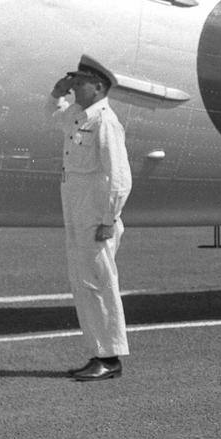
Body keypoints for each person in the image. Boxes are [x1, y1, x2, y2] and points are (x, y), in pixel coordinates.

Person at [47, 58, 132, 382]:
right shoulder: (78, 115)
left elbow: (120, 177)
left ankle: (110, 358)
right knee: (85, 284)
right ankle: (99, 353)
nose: (74, 86)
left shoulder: (105, 122)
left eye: (80, 82)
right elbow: (52, 115)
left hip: (96, 218)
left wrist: (109, 218)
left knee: (100, 285)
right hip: (79, 213)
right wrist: (57, 93)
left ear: (98, 86)